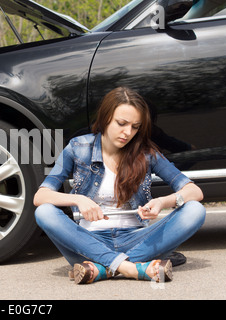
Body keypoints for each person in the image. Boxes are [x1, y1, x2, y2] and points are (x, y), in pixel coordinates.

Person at [33, 87, 206, 284]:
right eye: (121, 123)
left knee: (195, 210)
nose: (128, 133)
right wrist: (78, 199)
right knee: (44, 212)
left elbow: (194, 191)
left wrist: (162, 201)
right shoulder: (78, 147)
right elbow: (40, 197)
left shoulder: (146, 153)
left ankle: (104, 269)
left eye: (135, 127)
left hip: (138, 239)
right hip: (88, 242)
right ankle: (131, 268)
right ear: (105, 117)